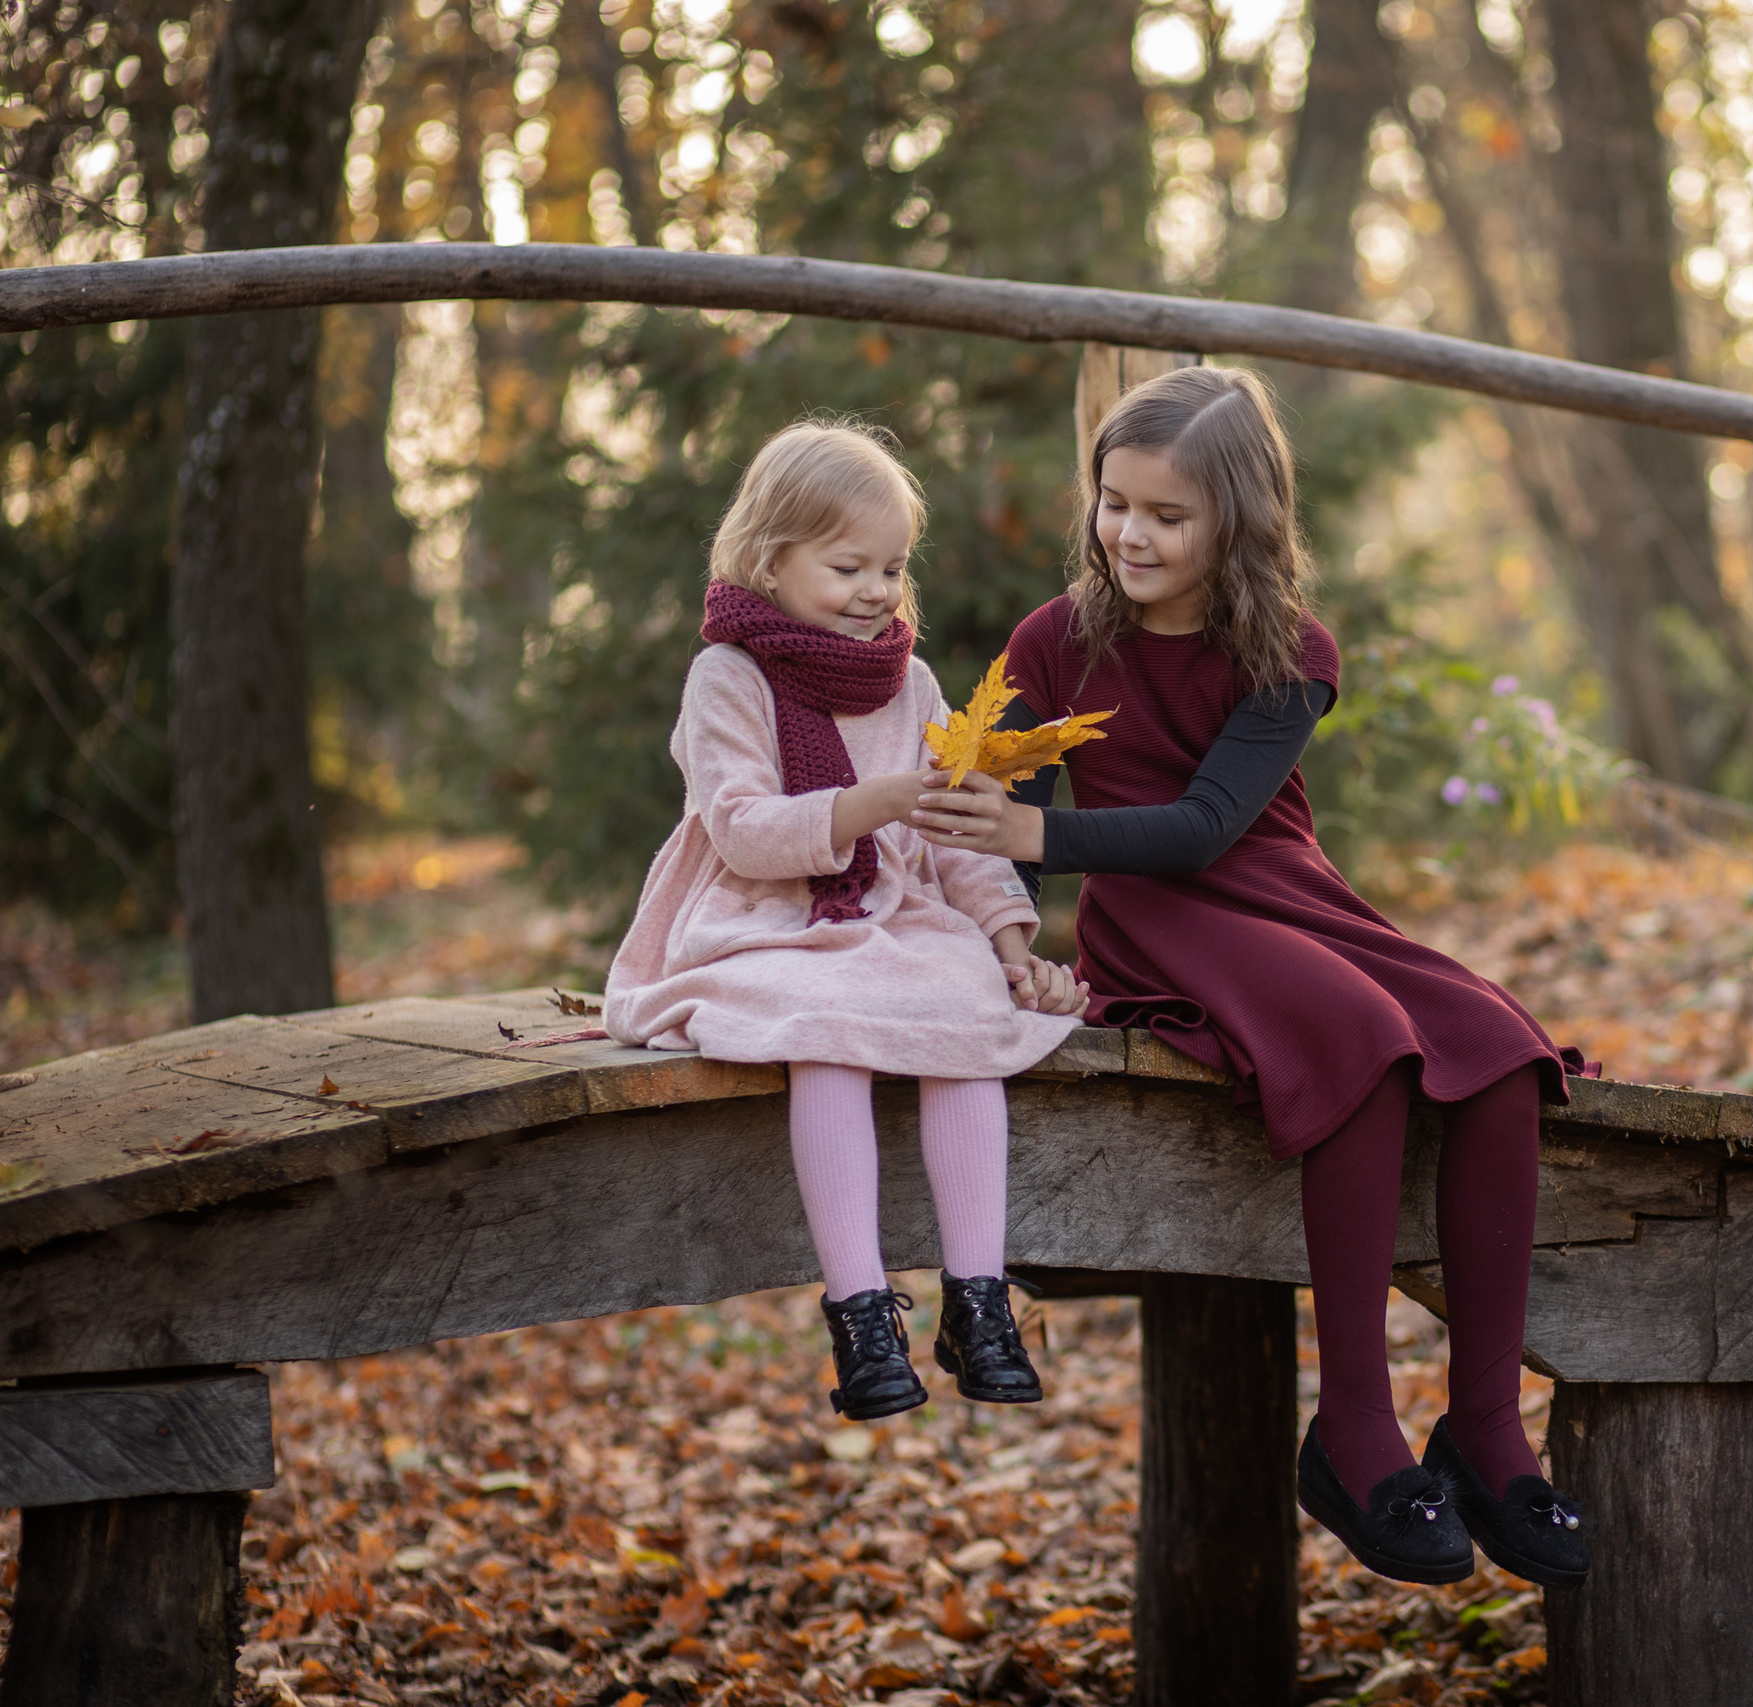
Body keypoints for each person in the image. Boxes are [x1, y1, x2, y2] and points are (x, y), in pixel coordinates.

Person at [909, 367, 1591, 1588]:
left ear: (1239, 519)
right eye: (1116, 503)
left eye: (1168, 515)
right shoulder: (1056, 642)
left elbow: (1209, 824)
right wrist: (1013, 951)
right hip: (1154, 920)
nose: (1130, 534)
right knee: (1362, 1038)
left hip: (1275, 887)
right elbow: (998, 843)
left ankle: (1488, 1432)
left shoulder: (1289, 650)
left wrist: (1036, 834)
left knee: (1498, 1051)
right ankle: (1355, 1431)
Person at [604, 419, 1089, 1423]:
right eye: (846, 567)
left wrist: (1009, 946)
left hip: (891, 919)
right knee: (823, 1026)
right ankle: (861, 1313)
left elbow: (958, 840)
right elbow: (742, 831)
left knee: (968, 1012)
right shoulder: (729, 676)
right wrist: (872, 804)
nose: (876, 590)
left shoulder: (912, 682)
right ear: (768, 559)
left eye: (892, 568)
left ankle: (979, 1298)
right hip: (761, 919)